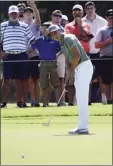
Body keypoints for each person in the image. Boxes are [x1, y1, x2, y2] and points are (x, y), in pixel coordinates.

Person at [48, 24, 93, 134]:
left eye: (55, 32)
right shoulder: (62, 43)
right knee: (80, 97)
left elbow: (77, 55)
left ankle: (83, 127)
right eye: (51, 34)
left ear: (59, 31)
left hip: (84, 66)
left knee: (82, 97)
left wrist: (71, 70)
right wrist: (69, 70)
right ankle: (82, 126)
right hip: (79, 68)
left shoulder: (68, 38)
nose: (53, 35)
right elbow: (70, 59)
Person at [0, 5, 35, 108]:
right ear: (8, 14)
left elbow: (32, 39)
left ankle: (20, 102)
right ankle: (4, 102)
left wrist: (29, 50)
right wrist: (0, 52)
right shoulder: (3, 26)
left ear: (18, 14)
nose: (14, 15)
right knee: (6, 80)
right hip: (8, 55)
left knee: (20, 80)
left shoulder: (24, 26)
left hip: (21, 55)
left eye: (15, 13)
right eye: (12, 13)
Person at [64, 4, 93, 105]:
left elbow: (87, 37)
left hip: (85, 56)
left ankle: (85, 101)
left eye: (79, 11)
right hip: (72, 56)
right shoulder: (68, 26)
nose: (77, 12)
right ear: (72, 13)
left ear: (82, 12)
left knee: (85, 80)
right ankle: (71, 102)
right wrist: (81, 37)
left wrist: (79, 25)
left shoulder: (87, 25)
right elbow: (68, 38)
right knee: (71, 79)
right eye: (75, 11)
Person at [29, 22, 60, 107]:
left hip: (53, 63)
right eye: (43, 28)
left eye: (46, 28)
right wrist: (38, 53)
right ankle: (45, 104)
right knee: (44, 84)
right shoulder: (39, 40)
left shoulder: (55, 40)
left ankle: (58, 103)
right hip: (43, 64)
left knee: (56, 84)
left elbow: (62, 48)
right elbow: (31, 49)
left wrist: (57, 54)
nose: (44, 30)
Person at [82, 1, 108, 104]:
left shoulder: (102, 21)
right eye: (88, 8)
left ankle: (104, 97)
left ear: (95, 9)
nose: (90, 10)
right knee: (86, 76)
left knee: (101, 76)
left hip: (99, 52)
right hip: (86, 52)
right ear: (85, 10)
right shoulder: (82, 21)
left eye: (91, 8)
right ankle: (86, 99)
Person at [24, 0, 41, 107]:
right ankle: (32, 100)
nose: (29, 14)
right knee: (28, 79)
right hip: (24, 55)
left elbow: (38, 19)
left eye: (30, 13)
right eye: (27, 13)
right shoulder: (22, 25)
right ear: (24, 15)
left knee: (36, 79)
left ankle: (37, 101)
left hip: (35, 55)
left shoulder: (35, 24)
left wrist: (33, 6)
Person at [95, 9, 113, 104]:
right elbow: (96, 45)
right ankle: (109, 100)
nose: (112, 19)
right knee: (106, 81)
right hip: (105, 57)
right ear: (106, 18)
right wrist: (108, 42)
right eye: (110, 18)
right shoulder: (102, 30)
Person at [51, 10, 66, 106]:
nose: (57, 17)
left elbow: (65, 45)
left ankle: (62, 101)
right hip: (49, 57)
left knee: (61, 79)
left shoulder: (63, 30)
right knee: (50, 80)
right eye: (55, 15)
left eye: (59, 16)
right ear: (52, 17)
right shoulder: (47, 28)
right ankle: (49, 102)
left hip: (61, 56)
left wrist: (58, 53)